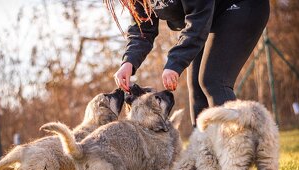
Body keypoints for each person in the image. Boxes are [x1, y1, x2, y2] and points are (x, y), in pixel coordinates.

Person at [111, 0, 270, 127]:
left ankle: (235, 151)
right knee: (195, 86)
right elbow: (142, 30)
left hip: (241, 6)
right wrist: (128, 63)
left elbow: (198, 21)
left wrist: (174, 63)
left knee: (213, 80)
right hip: (209, 19)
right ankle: (202, 159)